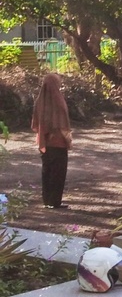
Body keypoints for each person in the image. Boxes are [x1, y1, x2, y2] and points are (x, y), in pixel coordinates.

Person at [31, 73, 72, 209]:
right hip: (58, 143)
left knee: (47, 171)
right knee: (58, 173)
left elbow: (36, 124)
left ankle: (47, 200)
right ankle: (55, 201)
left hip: (45, 142)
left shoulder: (39, 101)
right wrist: (69, 140)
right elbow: (63, 125)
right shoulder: (58, 101)